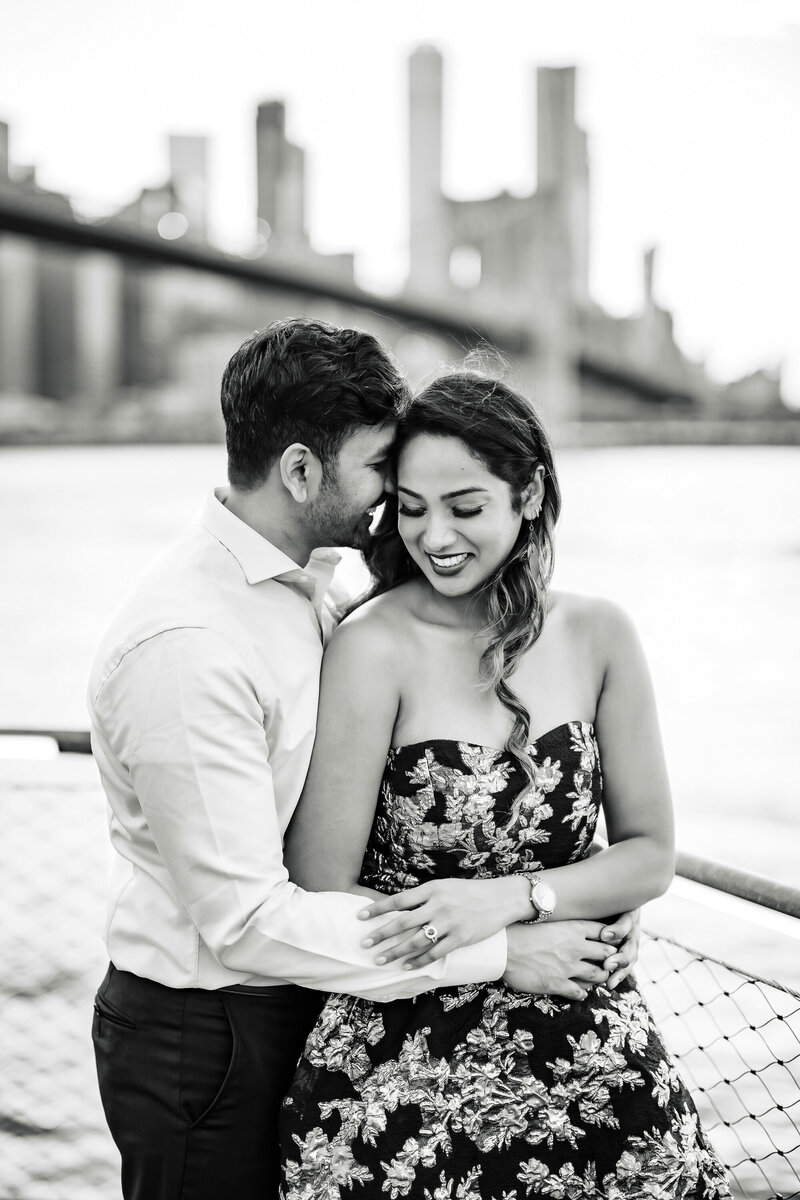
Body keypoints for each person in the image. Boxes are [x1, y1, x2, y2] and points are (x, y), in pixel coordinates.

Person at [87, 319, 638, 1200]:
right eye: (385, 470)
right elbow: (247, 919)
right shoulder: (188, 644)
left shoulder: (310, 585)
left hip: (313, 1001)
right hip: (206, 1035)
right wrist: (503, 950)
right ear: (302, 471)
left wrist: (564, 892)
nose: (396, 499)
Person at [280, 370, 732, 1199]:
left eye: (464, 505)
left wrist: (517, 898)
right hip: (403, 1051)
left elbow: (650, 854)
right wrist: (491, 953)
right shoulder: (371, 646)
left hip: (587, 1039)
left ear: (528, 494)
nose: (434, 535)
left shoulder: (599, 633)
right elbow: (318, 884)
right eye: (410, 508)